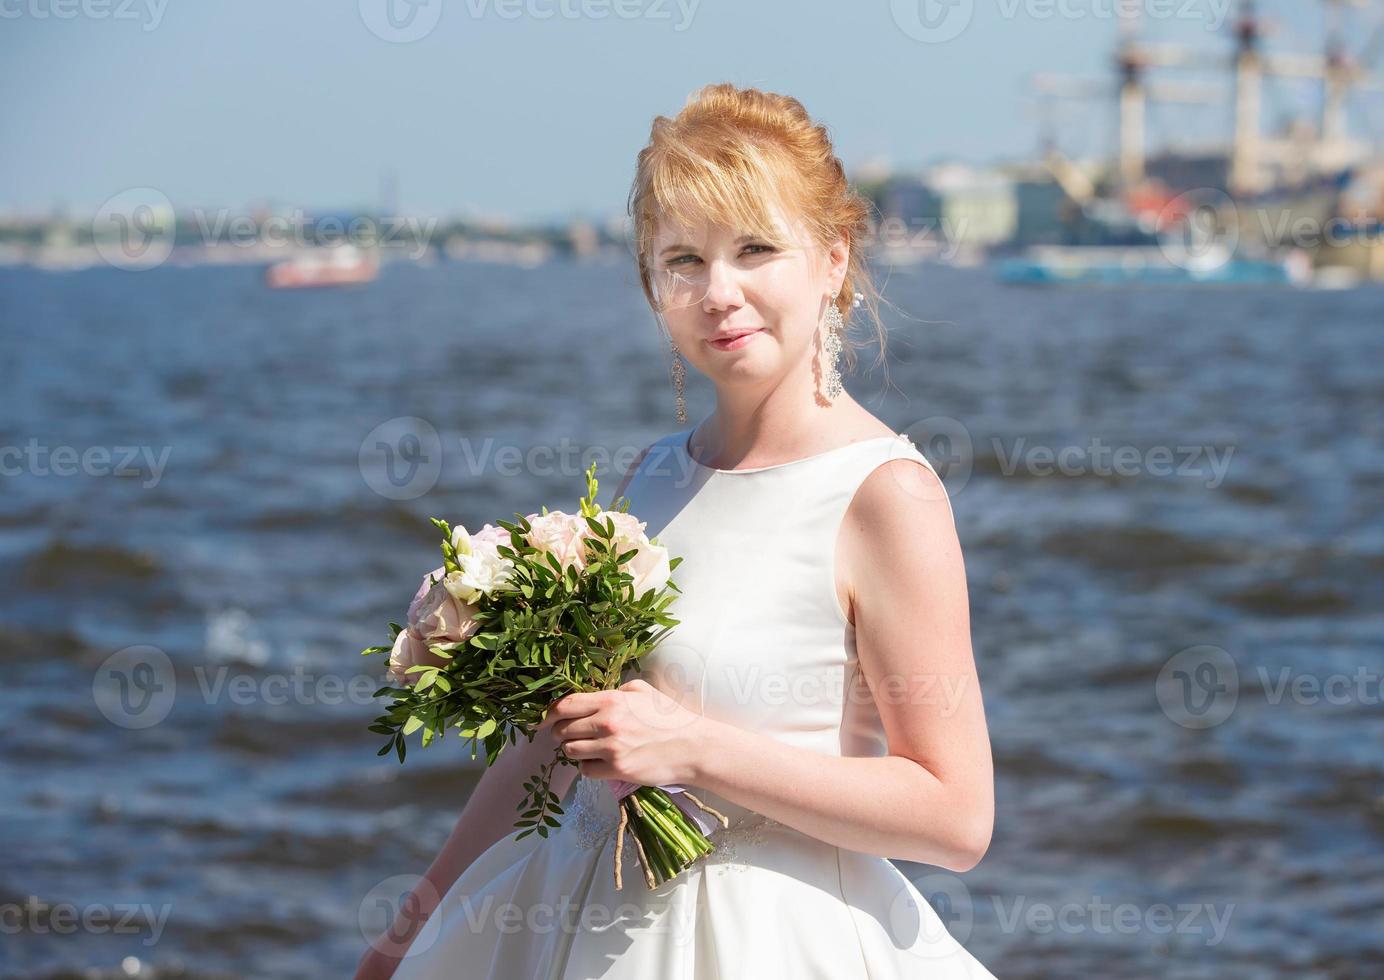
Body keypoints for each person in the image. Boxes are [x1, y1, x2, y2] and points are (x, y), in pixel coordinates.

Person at [356, 81, 997, 979]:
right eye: (683, 260)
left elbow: (957, 817)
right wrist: (406, 932)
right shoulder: (652, 474)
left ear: (834, 260)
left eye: (756, 249)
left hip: (760, 941)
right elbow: (554, 741)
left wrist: (696, 748)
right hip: (571, 920)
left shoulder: (884, 494)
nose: (718, 293)